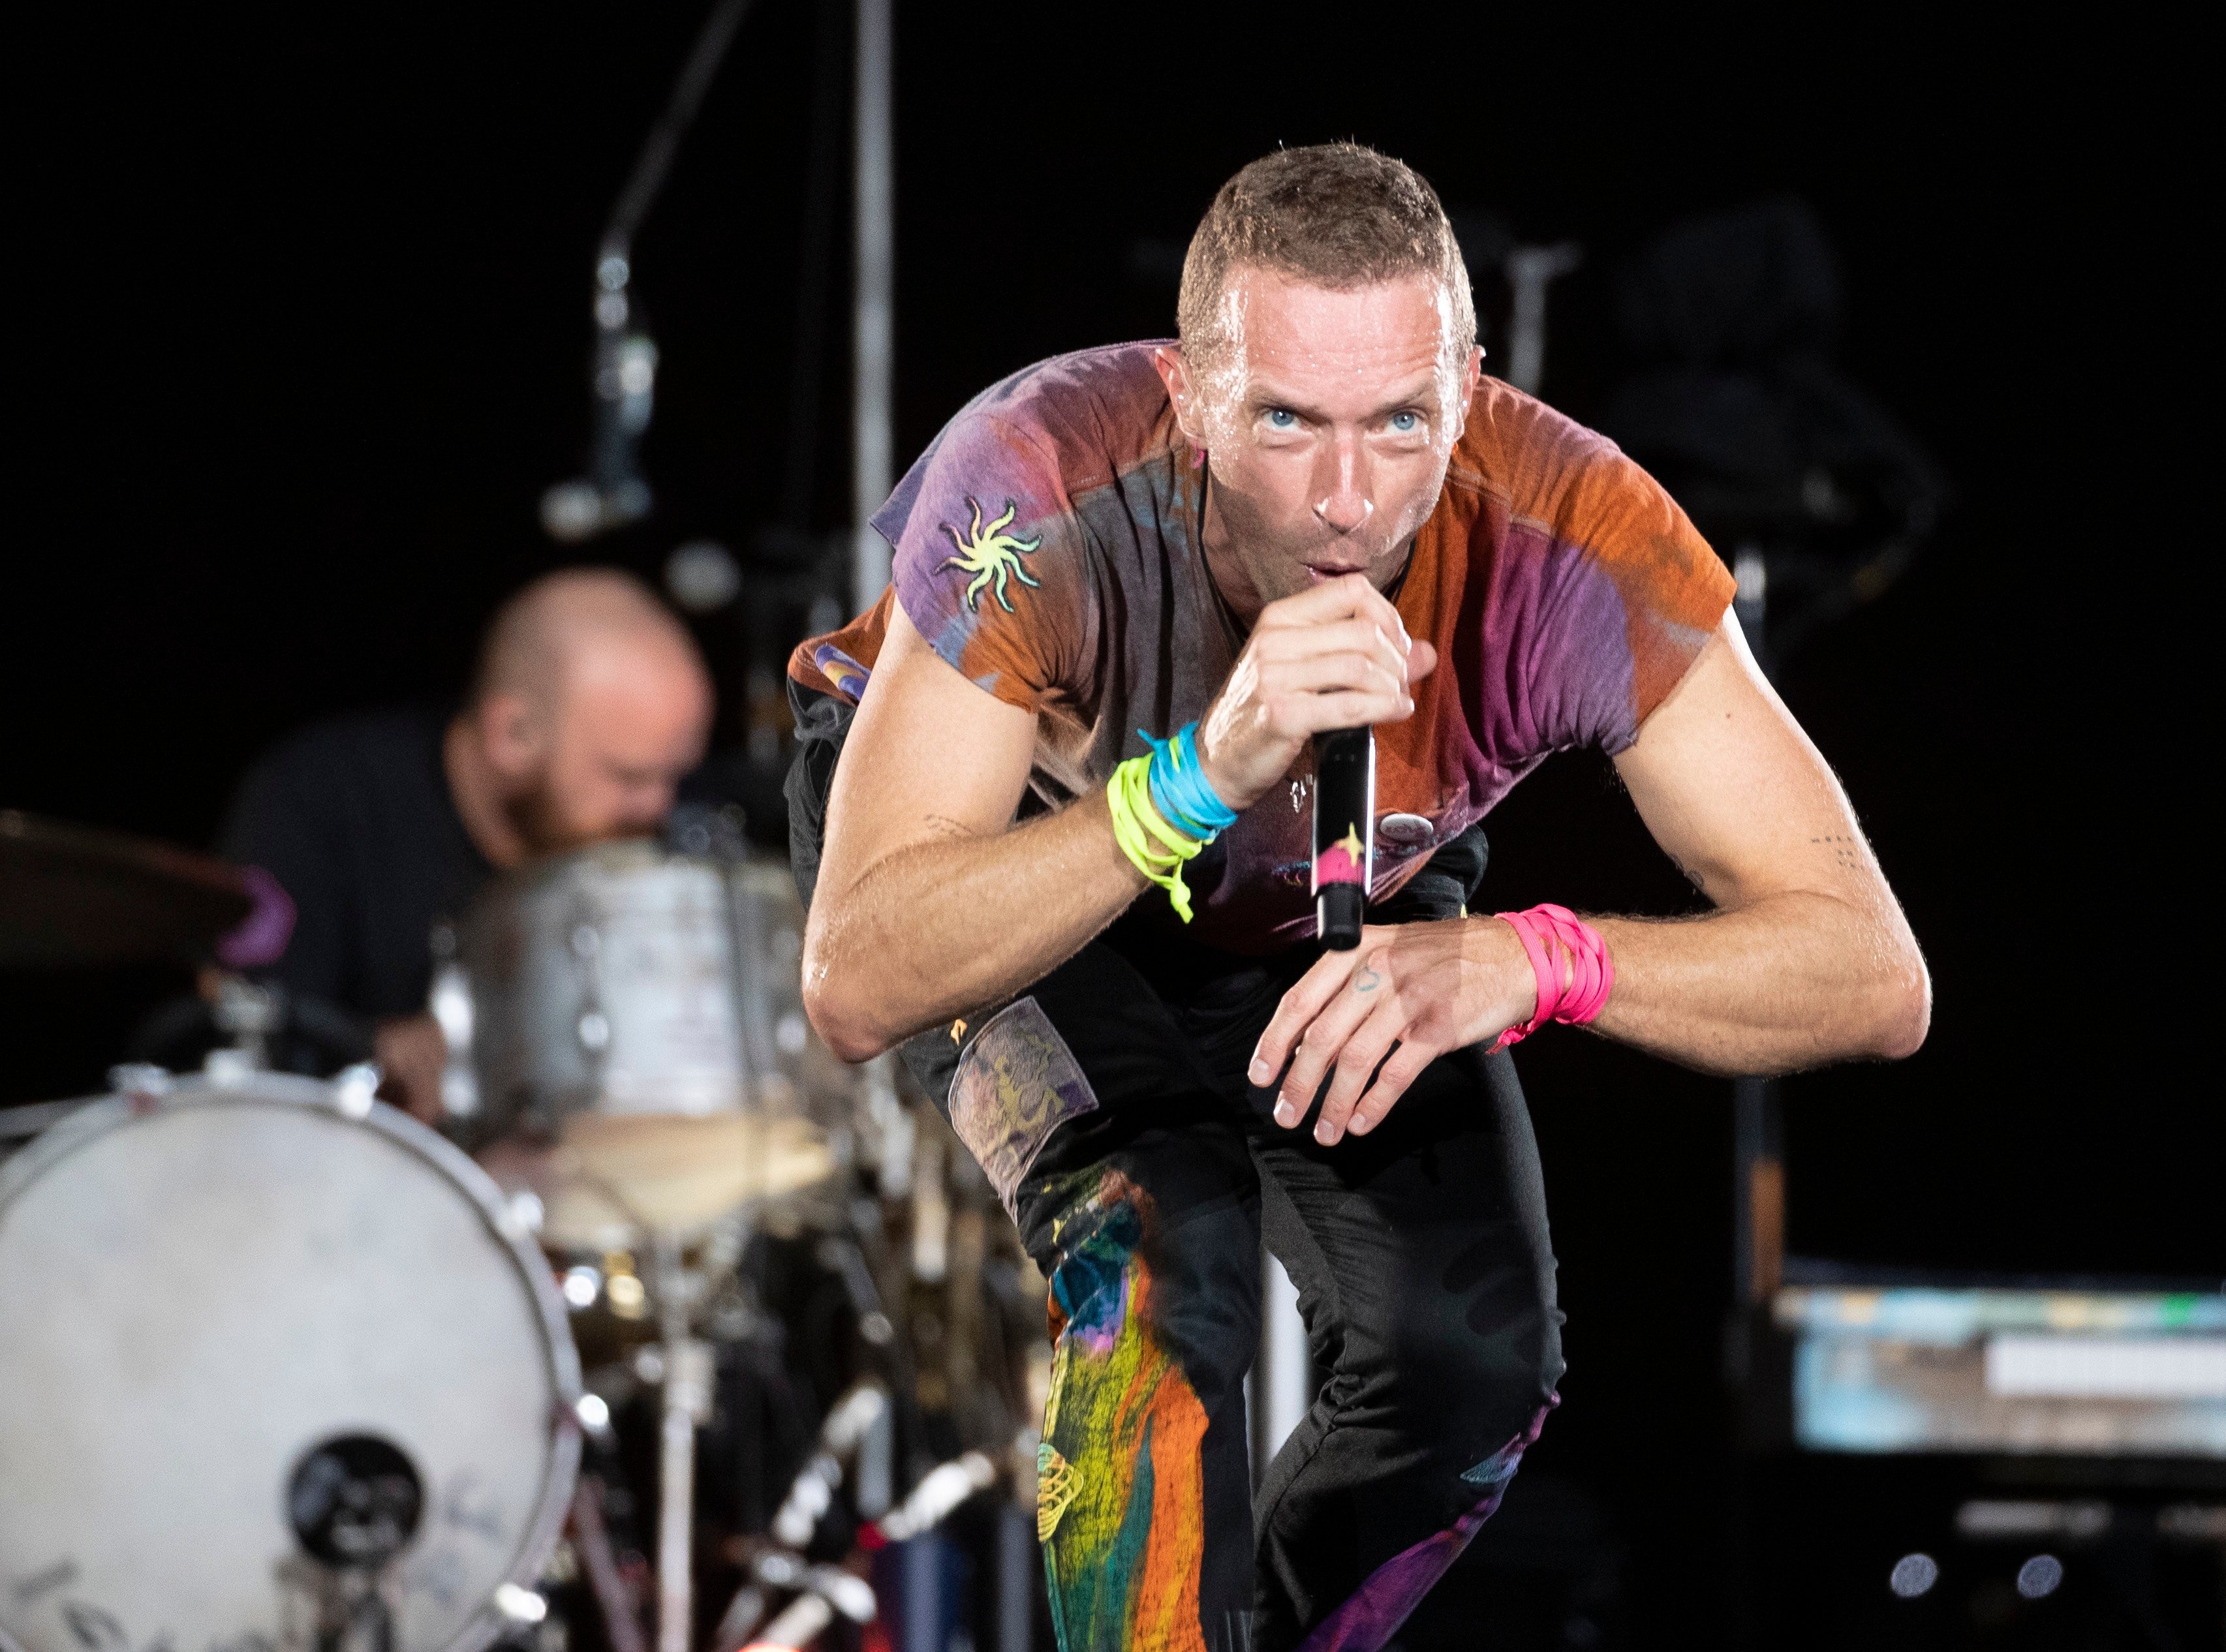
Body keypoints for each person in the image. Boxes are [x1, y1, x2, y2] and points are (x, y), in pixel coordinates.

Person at [784, 144, 1928, 1651]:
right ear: (1191, 398)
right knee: (1158, 1254)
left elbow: (1874, 972)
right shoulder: (1041, 481)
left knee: (1468, 1361)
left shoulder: (1573, 531)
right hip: (1034, 852)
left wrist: (1542, 957)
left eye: (1401, 423)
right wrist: (1198, 775)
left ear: (1467, 384)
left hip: (1353, 870)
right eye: (1283, 421)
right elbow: (861, 976)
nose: (1346, 498)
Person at [219, 566, 714, 1115]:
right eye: (629, 778)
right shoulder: (319, 801)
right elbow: (255, 1044)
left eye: (675, 775)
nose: (659, 806)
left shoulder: (669, 827)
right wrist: (386, 1057)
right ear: (512, 735)